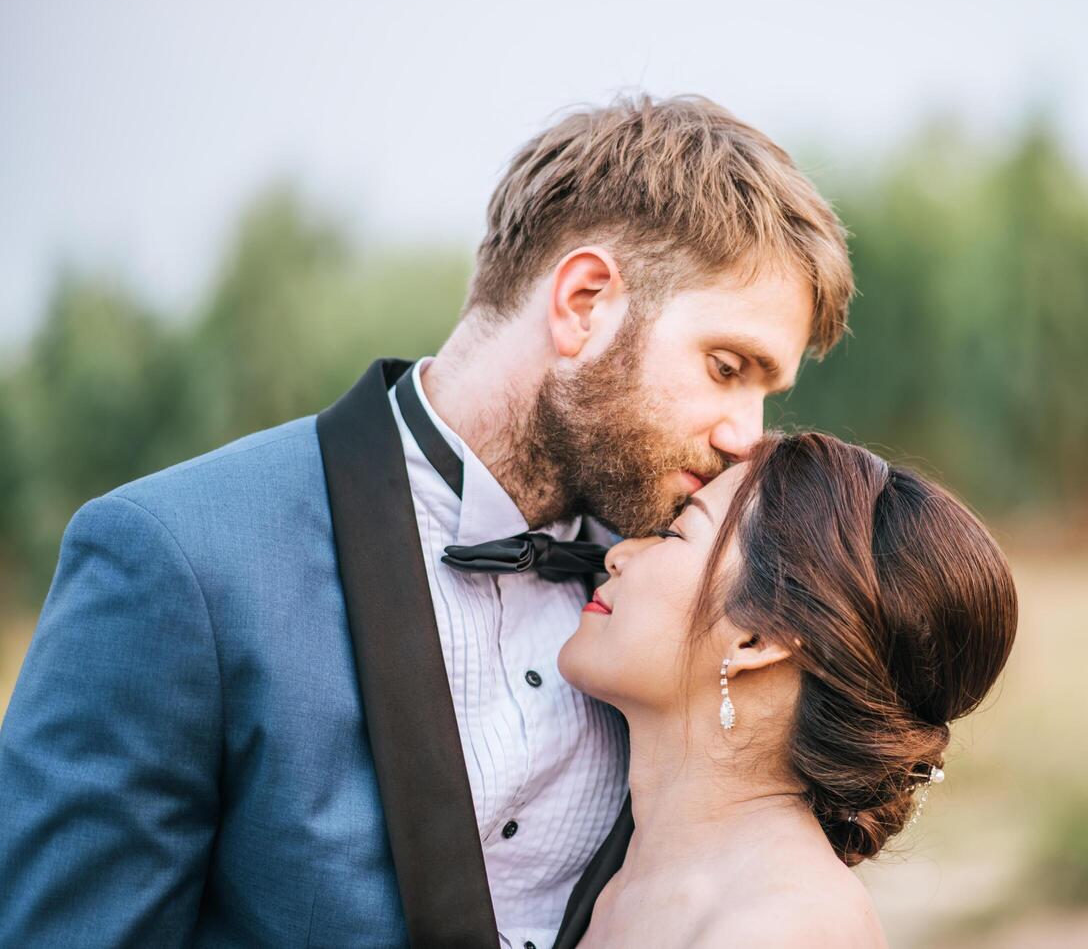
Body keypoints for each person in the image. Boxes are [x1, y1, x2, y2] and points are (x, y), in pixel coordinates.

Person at [0, 94, 854, 949]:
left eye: (763, 391)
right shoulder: (178, 558)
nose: (745, 437)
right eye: (726, 365)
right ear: (584, 302)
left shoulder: (674, 610)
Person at [557, 432, 1019, 947]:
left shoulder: (780, 926)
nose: (618, 554)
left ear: (759, 638)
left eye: (674, 533)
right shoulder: (627, 886)